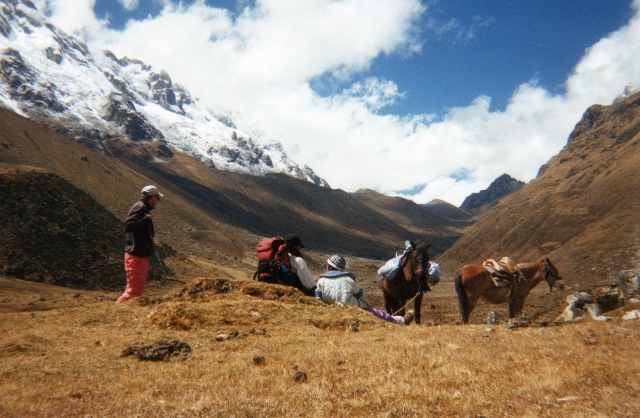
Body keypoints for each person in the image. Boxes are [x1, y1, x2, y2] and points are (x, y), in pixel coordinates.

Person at [315, 254, 413, 325]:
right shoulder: (348, 280)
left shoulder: (321, 281)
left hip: (333, 310)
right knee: (378, 314)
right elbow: (360, 294)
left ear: (329, 267)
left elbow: (318, 299)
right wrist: (367, 305)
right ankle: (400, 321)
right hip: (354, 308)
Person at [116, 185, 164, 303]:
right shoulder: (140, 207)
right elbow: (128, 227)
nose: (158, 201)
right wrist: (145, 220)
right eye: (157, 198)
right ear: (152, 197)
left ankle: (122, 311)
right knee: (133, 292)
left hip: (139, 255)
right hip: (136, 256)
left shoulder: (142, 207)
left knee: (136, 291)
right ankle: (116, 309)